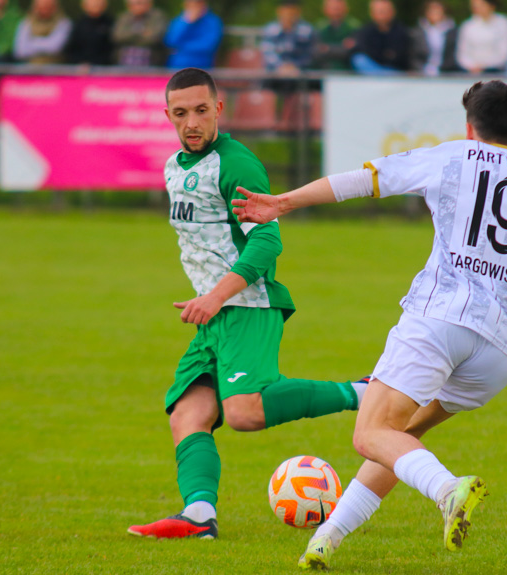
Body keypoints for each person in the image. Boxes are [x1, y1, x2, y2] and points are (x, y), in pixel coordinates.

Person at [232, 79, 507, 570]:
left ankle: (448, 489)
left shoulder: (452, 156)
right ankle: (326, 539)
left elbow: (364, 179)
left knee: (370, 433)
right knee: (400, 440)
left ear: (469, 127)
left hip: (440, 321)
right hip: (500, 352)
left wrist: (283, 202)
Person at [126, 68, 368, 540]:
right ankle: (198, 514)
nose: (191, 122)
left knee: (243, 412)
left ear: (218, 109)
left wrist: (215, 297)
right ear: (167, 116)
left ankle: (361, 393)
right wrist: (209, 302)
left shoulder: (236, 164)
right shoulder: (174, 166)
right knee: (188, 414)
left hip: (246, 306)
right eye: (180, 114)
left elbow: (266, 243)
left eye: (200, 110)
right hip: (213, 315)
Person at [350, 0, 411, 75]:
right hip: (374, 68)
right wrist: (386, 55)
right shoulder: (365, 31)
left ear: (392, 12)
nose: (382, 14)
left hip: (395, 69)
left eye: (384, 11)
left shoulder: (402, 31)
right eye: (380, 11)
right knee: (359, 59)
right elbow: (365, 51)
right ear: (372, 13)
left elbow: (401, 56)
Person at [456, 0, 507, 74]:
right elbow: (462, 53)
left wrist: (484, 65)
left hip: (496, 71)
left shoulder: (503, 23)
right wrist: (472, 66)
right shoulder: (467, 25)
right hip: (471, 72)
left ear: (491, 5)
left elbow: (505, 53)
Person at [260, 0, 315, 75]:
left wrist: (295, 66)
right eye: (286, 10)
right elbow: (268, 52)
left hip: (300, 72)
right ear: (279, 11)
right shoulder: (270, 30)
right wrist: (280, 66)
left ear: (298, 12)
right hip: (275, 72)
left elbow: (309, 54)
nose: (288, 15)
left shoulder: (307, 30)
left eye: (292, 11)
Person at [163, 0, 223, 69]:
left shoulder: (213, 22)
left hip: (202, 65)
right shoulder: (180, 20)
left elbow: (208, 46)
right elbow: (171, 41)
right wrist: (187, 23)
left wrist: (181, 48)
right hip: (177, 64)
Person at [13, 0, 72, 65]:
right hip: (28, 68)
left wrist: (32, 43)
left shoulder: (64, 23)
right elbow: (20, 51)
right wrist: (45, 45)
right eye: (41, 7)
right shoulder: (26, 23)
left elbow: (54, 48)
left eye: (48, 7)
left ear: (55, 7)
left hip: (55, 69)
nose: (44, 10)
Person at [112, 0, 168, 67]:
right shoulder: (124, 17)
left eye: (140, 3)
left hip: (150, 63)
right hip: (125, 62)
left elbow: (155, 38)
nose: (137, 6)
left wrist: (130, 36)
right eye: (134, 4)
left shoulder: (157, 17)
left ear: (149, 4)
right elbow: (117, 36)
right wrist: (141, 33)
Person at [410, 0, 458, 76]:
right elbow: (413, 56)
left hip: (446, 73)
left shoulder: (452, 31)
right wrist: (423, 69)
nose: (435, 13)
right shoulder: (417, 32)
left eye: (437, 11)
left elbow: (453, 56)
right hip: (421, 73)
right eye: (432, 10)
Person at [312, 0, 359, 71]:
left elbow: (353, 51)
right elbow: (316, 52)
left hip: (348, 69)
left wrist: (328, 49)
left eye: (338, 8)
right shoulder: (319, 27)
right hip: (324, 69)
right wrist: (340, 48)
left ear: (346, 9)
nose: (336, 12)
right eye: (333, 8)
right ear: (325, 9)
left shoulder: (354, 27)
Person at [65, 0, 115, 66]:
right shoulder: (78, 24)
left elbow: (111, 49)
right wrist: (80, 62)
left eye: (98, 3)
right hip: (81, 68)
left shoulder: (110, 23)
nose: (96, 5)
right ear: (85, 6)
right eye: (93, 3)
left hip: (104, 67)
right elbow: (72, 48)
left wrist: (96, 63)